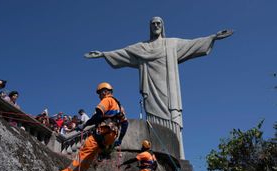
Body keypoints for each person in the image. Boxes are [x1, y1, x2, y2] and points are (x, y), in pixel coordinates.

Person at [85, 16, 233, 160]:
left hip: (169, 90)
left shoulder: (172, 44)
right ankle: (154, 149)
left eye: (158, 23)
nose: (156, 26)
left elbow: (193, 44)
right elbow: (124, 52)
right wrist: (104, 54)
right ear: (150, 27)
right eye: (153, 24)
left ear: (162, 26)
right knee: (153, 118)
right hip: (151, 90)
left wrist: (212, 37)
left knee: (172, 116)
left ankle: (179, 156)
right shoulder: (142, 47)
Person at [54, 82, 128, 171]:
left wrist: (85, 124)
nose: (99, 96)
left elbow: (98, 115)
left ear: (105, 92)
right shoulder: (119, 106)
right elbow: (125, 123)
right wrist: (120, 139)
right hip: (110, 137)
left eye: (100, 93)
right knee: (90, 157)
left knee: (83, 153)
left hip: (102, 131)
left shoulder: (107, 100)